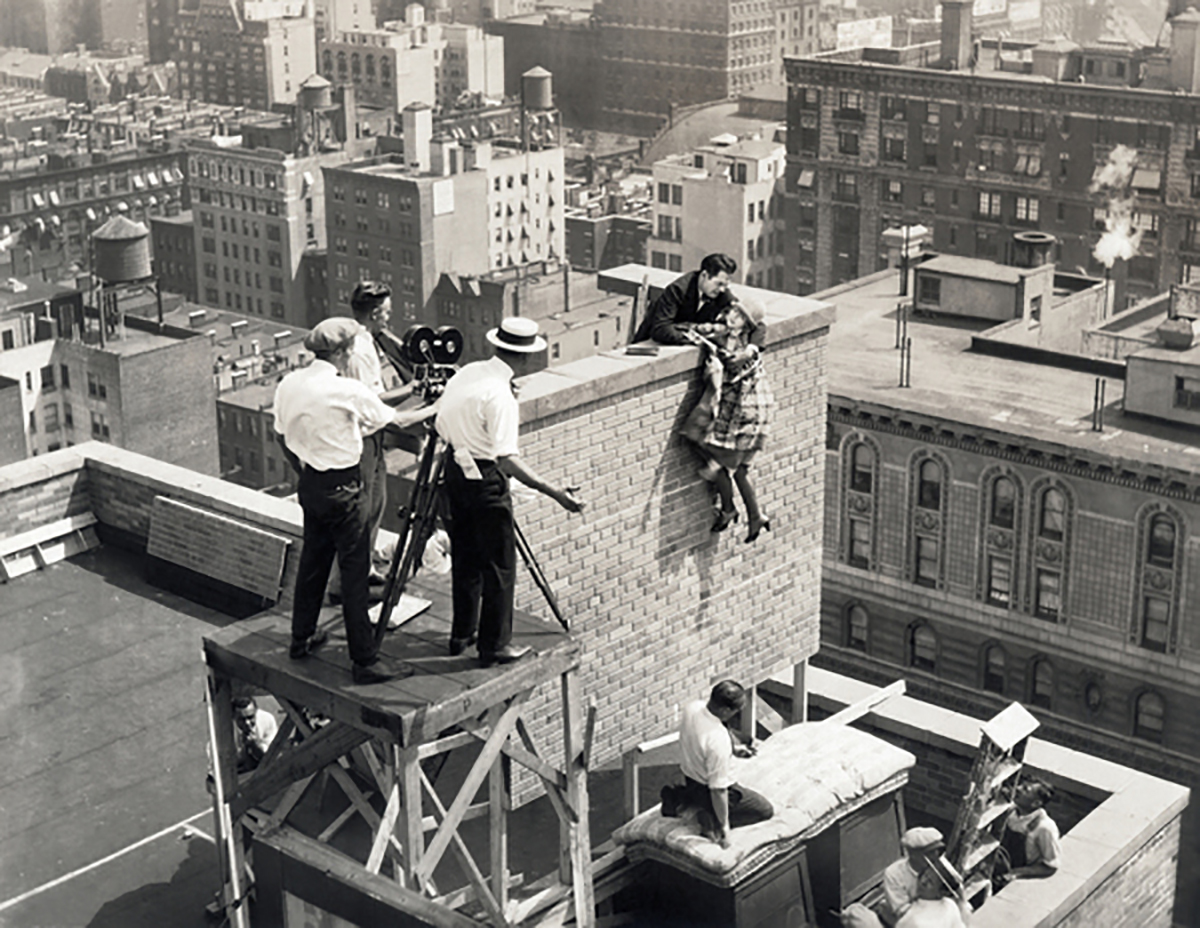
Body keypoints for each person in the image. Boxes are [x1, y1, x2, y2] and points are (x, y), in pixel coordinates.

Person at [274, 317, 439, 685]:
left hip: (312, 485)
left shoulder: (289, 384)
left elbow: (280, 437)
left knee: (313, 563)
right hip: (346, 490)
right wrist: (435, 408)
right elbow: (396, 422)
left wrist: (304, 473)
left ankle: (301, 638)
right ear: (344, 352)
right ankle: (364, 659)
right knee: (354, 573)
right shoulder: (346, 388)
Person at [434, 316, 585, 667]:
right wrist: (555, 492)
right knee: (500, 565)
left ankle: (462, 633)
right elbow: (507, 460)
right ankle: (495, 645)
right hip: (484, 478)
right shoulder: (501, 396)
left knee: (466, 557)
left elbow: (442, 420)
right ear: (527, 358)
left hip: (455, 469)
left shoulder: (468, 372)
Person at [326, 281, 414, 603]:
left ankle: (361, 573)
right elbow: (372, 402)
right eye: (387, 312)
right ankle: (345, 586)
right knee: (362, 513)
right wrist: (413, 388)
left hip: (367, 439)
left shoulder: (359, 341)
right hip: (362, 441)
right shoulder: (361, 351)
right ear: (375, 313)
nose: (389, 319)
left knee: (375, 507)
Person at [680, 296, 774, 541]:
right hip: (752, 410)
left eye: (740, 316)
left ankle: (730, 509)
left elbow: (736, 364)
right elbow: (708, 329)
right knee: (740, 469)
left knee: (712, 453)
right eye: (734, 311)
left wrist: (729, 357)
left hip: (744, 411)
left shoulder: (745, 345)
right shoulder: (734, 332)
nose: (732, 316)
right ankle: (754, 515)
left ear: (746, 324)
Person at [659, 680, 774, 848]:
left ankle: (680, 797)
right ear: (725, 710)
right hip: (709, 789)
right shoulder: (717, 740)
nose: (737, 714)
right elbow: (718, 790)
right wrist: (724, 827)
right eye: (736, 711)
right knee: (764, 810)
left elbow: (702, 741)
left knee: (700, 791)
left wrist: (733, 750)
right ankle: (708, 818)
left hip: (690, 779)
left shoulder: (693, 708)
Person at [633, 253, 737, 345]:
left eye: (725, 285)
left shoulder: (720, 292)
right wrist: (693, 335)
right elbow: (660, 329)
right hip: (647, 347)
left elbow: (738, 315)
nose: (722, 290)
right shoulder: (677, 290)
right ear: (704, 275)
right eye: (719, 284)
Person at [996, 779, 1061, 885]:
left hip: (1010, 879)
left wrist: (1015, 873)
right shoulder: (1011, 811)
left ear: (1036, 803)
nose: (1018, 788)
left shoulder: (1044, 828)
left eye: (1026, 790)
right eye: (1022, 785)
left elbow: (1050, 866)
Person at [880, 827, 946, 926]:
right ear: (913, 854)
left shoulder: (940, 867)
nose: (935, 856)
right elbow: (902, 911)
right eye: (929, 853)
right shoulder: (894, 874)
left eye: (937, 851)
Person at [894, 866, 970, 928]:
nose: (923, 881)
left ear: (939, 893)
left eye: (930, 882)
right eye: (925, 875)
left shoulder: (915, 919)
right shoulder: (950, 905)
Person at [232, 696, 278, 773]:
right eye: (242, 719)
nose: (247, 723)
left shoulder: (267, 720)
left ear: (256, 712)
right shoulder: (225, 729)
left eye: (250, 717)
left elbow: (271, 755)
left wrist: (254, 744)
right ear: (233, 717)